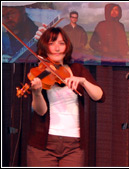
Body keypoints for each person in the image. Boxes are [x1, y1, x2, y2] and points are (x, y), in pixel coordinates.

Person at [26, 27, 105, 167]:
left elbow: (100, 96)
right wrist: (37, 93)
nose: (57, 48)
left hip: (74, 144)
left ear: (67, 47)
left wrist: (83, 81)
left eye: (61, 43)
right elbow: (41, 111)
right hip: (43, 144)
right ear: (44, 47)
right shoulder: (40, 73)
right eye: (52, 43)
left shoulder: (77, 69)